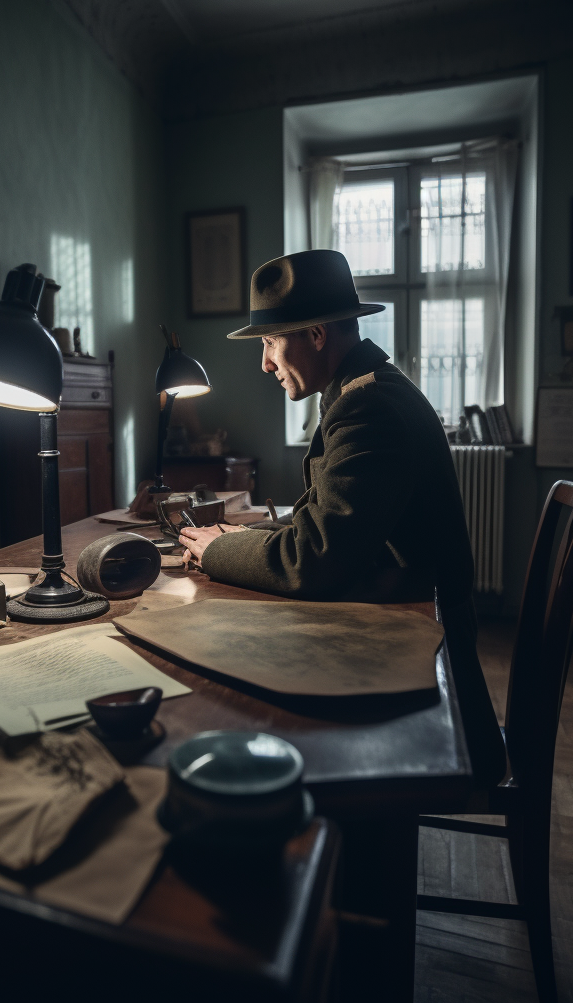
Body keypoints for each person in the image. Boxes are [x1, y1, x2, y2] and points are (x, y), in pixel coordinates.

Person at [178, 249, 506, 788]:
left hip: (431, 687)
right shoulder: (363, 389)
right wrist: (233, 535)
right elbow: (315, 517)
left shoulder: (367, 408)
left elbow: (313, 558)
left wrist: (216, 550)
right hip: (418, 635)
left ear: (316, 335)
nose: (264, 363)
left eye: (269, 340)